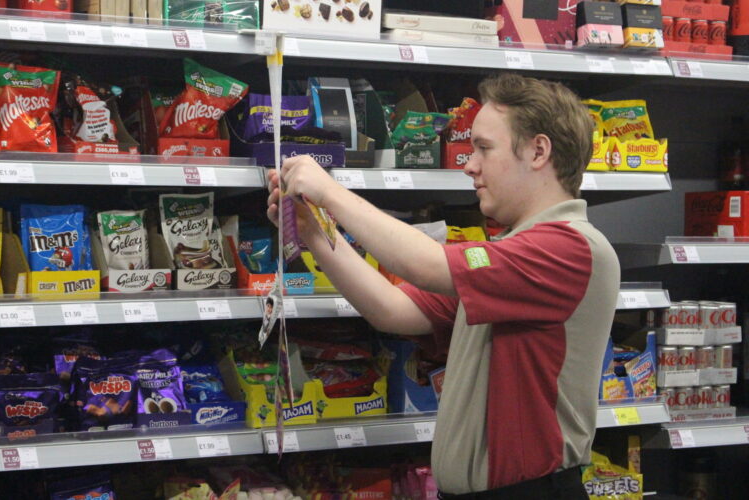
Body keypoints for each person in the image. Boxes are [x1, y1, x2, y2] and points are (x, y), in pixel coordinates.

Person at [266, 73, 620, 499]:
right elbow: (392, 309)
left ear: (538, 151)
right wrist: (315, 233)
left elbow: (427, 263)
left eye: (484, 149)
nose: (469, 165)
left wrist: (331, 193)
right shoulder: (510, 253)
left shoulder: (572, 248)